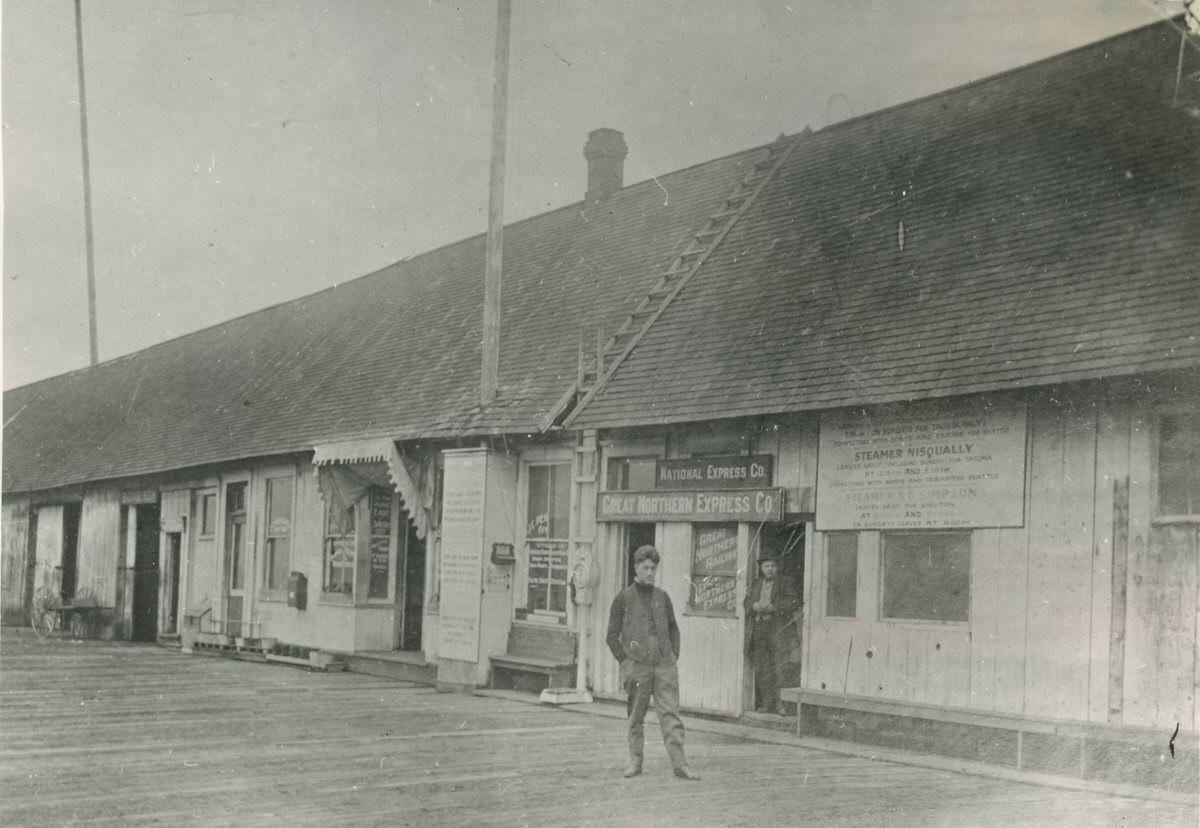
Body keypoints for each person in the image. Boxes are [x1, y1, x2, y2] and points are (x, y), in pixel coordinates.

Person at [606, 545, 700, 781]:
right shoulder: (623, 598)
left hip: (664, 664)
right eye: (645, 567)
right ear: (636, 567)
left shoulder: (662, 597)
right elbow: (611, 635)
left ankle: (680, 765)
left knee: (670, 714)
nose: (650, 572)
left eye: (653, 568)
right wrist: (625, 662)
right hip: (637, 666)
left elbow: (673, 628)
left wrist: (672, 655)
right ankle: (635, 763)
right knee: (635, 716)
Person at [744, 552, 800, 714]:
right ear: (761, 568)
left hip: (778, 630)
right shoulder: (756, 583)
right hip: (759, 629)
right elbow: (746, 602)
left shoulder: (786, 582)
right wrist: (753, 606)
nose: (770, 569)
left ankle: (782, 705)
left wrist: (773, 607)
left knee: (780, 666)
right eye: (767, 566)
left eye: (773, 566)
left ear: (777, 568)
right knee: (763, 667)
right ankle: (767, 704)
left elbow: (793, 601)